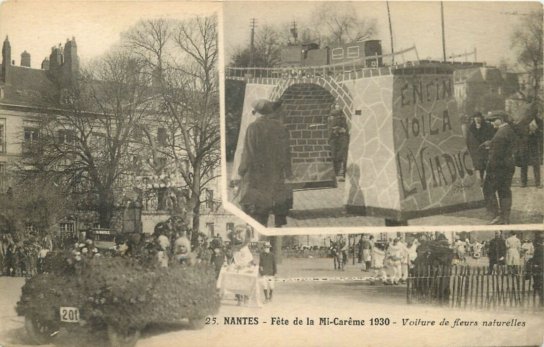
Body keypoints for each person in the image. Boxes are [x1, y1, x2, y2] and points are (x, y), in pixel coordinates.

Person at [238, 99, 293, 227]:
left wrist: (241, 172)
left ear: (255, 112)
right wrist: (288, 173)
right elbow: (286, 153)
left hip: (257, 177)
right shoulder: (282, 128)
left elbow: (248, 153)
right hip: (276, 176)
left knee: (257, 214)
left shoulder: (253, 128)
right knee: (277, 208)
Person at [482, 112, 517, 224]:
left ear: (500, 119)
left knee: (488, 189)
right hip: (508, 165)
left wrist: (488, 169)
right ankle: (505, 218)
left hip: (497, 168)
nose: (491, 123)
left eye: (493, 120)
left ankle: (495, 216)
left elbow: (495, 155)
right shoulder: (508, 130)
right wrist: (491, 143)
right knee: (504, 191)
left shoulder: (500, 134)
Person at [466, 112, 496, 183]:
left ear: (481, 118)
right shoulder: (471, 127)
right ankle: (481, 179)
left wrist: (488, 143)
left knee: (486, 164)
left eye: (478, 117)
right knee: (478, 165)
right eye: (475, 117)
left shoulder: (487, 126)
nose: (477, 119)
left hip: (485, 148)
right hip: (475, 149)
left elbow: (492, 136)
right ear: (474, 118)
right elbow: (468, 138)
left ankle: (488, 179)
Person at [328, 103, 349, 182]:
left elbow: (346, 128)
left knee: (342, 155)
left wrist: (342, 130)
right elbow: (330, 128)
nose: (338, 106)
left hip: (341, 138)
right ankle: (335, 173)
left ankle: (342, 173)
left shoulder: (343, 117)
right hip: (334, 138)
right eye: (337, 105)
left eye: (339, 105)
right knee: (334, 156)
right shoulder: (331, 116)